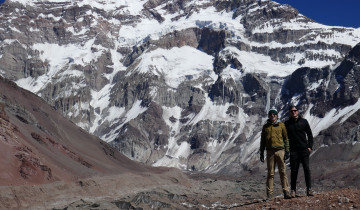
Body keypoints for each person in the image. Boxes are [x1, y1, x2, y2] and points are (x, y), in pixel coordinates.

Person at [260, 107, 291, 199]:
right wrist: (261, 152)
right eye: (271, 114)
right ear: (269, 116)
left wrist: (287, 150)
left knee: (283, 172)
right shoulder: (265, 127)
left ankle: (286, 192)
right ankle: (269, 194)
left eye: (274, 114)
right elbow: (263, 141)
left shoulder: (281, 125)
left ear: (276, 116)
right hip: (270, 152)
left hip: (280, 151)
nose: (272, 116)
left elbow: (286, 139)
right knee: (270, 173)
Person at [285, 105, 314, 197]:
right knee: (294, 171)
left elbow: (309, 134)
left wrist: (309, 147)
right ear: (290, 113)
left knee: (306, 169)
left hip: (304, 149)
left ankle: (309, 189)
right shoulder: (287, 124)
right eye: (292, 111)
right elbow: (284, 138)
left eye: (295, 110)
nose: (293, 112)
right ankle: (293, 190)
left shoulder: (304, 122)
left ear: (298, 111)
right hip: (294, 150)